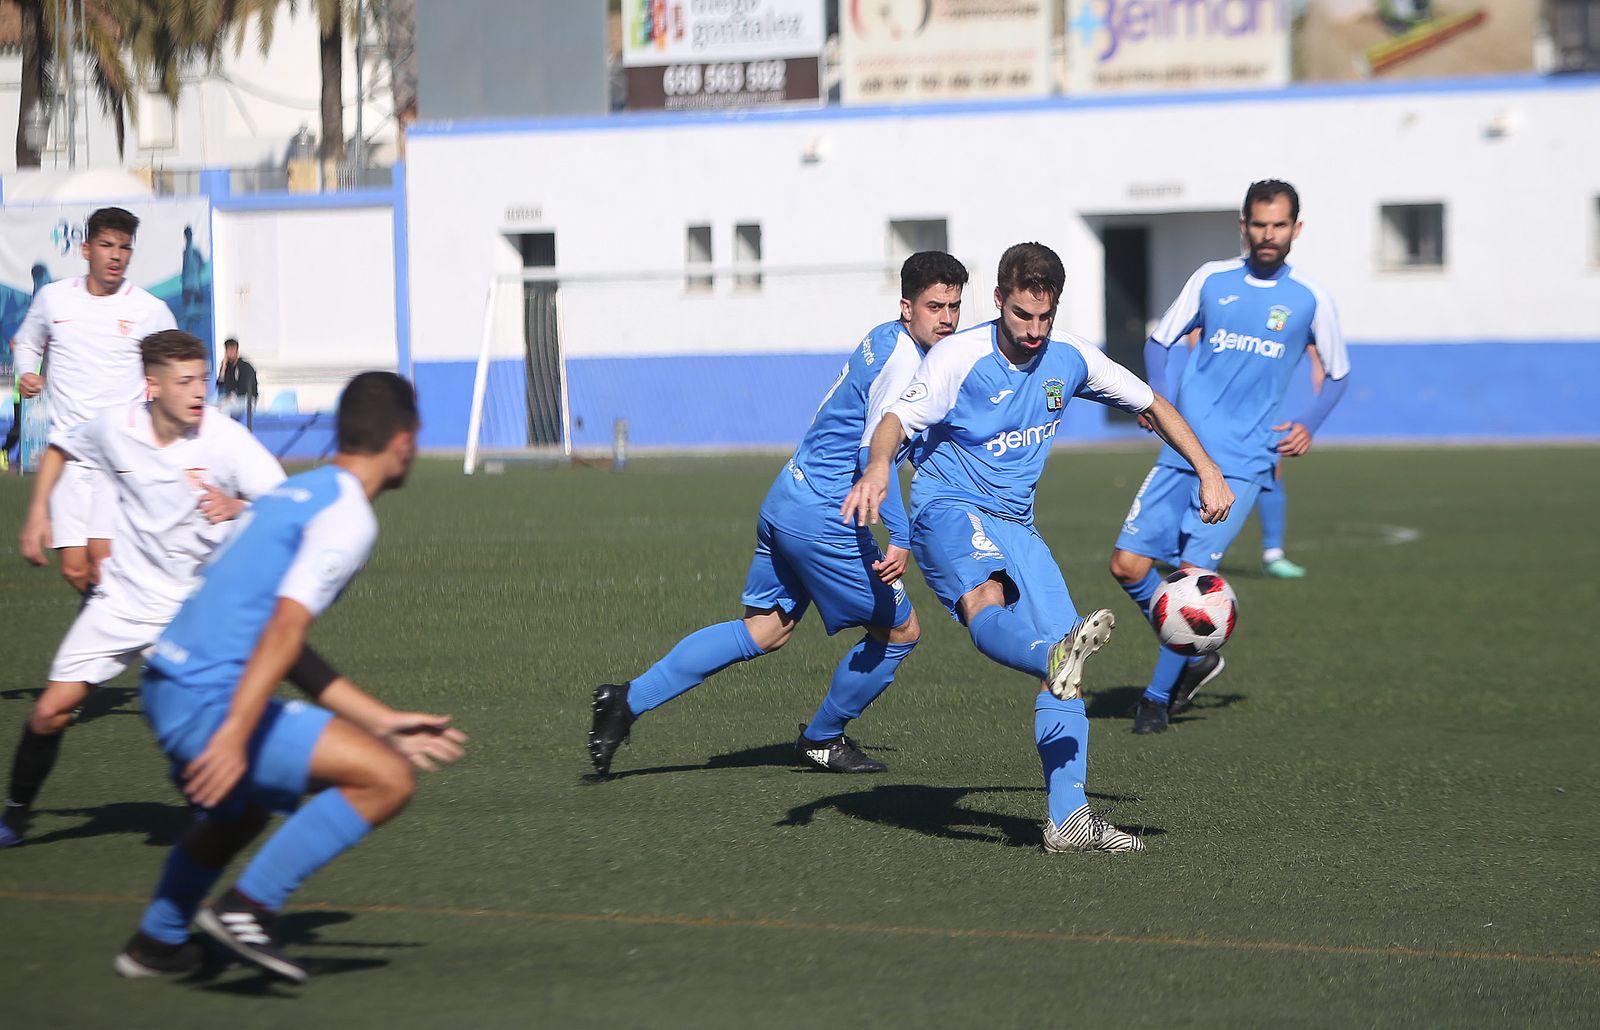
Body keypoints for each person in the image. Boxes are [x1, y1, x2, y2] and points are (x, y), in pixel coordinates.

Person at [843, 243, 1234, 854]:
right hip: (947, 507)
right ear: (998, 301)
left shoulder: (1070, 357)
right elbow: (895, 419)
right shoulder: (957, 356)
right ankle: (1049, 655)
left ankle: (1068, 821)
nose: (1032, 330)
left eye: (1043, 318)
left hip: (1019, 525)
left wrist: (1208, 469)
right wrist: (876, 469)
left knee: (1069, 675)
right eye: (1021, 316)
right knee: (987, 598)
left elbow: (1152, 403)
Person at [589, 252, 970, 777]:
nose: (946, 318)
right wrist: (899, 536)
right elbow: (870, 458)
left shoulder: (884, 336)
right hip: (825, 516)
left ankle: (626, 700)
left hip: (787, 496)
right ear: (907, 307)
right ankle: (822, 739)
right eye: (934, 307)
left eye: (953, 306)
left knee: (766, 630)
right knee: (901, 632)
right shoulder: (906, 360)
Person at [1, 331, 286, 849]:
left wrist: (238, 506)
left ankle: (222, 812)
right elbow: (64, 446)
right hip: (123, 601)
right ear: (151, 387)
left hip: (192, 611)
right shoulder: (118, 426)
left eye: (202, 378)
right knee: (48, 712)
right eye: (185, 382)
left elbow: (287, 503)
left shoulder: (224, 439)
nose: (199, 391)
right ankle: (16, 815)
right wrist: (39, 511)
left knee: (206, 726)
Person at [1110, 179, 1351, 735]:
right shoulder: (1211, 279)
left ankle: (1154, 698)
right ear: (1243, 227)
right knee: (1127, 567)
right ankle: (1196, 652)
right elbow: (1159, 341)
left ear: (1296, 228)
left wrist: (1308, 424)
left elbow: (1337, 374)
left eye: (1279, 225)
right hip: (1182, 453)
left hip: (1243, 463)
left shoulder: (1311, 298)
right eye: (1259, 225)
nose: (1269, 235)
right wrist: (1157, 398)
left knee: (1193, 577)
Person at [12, 208, 178, 593]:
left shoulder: (150, 310)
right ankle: (114, 629)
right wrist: (27, 373)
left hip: (122, 454)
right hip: (68, 455)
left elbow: (178, 359)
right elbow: (27, 341)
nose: (116, 255)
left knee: (103, 562)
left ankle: (133, 634)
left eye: (124, 247)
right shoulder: (54, 300)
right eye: (107, 245)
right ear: (86, 249)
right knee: (74, 569)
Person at [1256, 346, 1326, 578]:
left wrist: (1316, 364)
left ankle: (1273, 553)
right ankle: (1183, 550)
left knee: (1272, 464)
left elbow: (1301, 321)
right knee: (1203, 466)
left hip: (1263, 394)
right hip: (1222, 393)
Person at [215, 337, 259, 429]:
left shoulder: (245, 367)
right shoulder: (227, 367)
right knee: (210, 406)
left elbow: (245, 388)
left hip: (247, 399)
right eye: (228, 349)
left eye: (232, 349)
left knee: (224, 409)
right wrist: (223, 368)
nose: (230, 352)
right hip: (231, 399)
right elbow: (219, 386)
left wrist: (230, 397)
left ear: (236, 350)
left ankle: (226, 435)